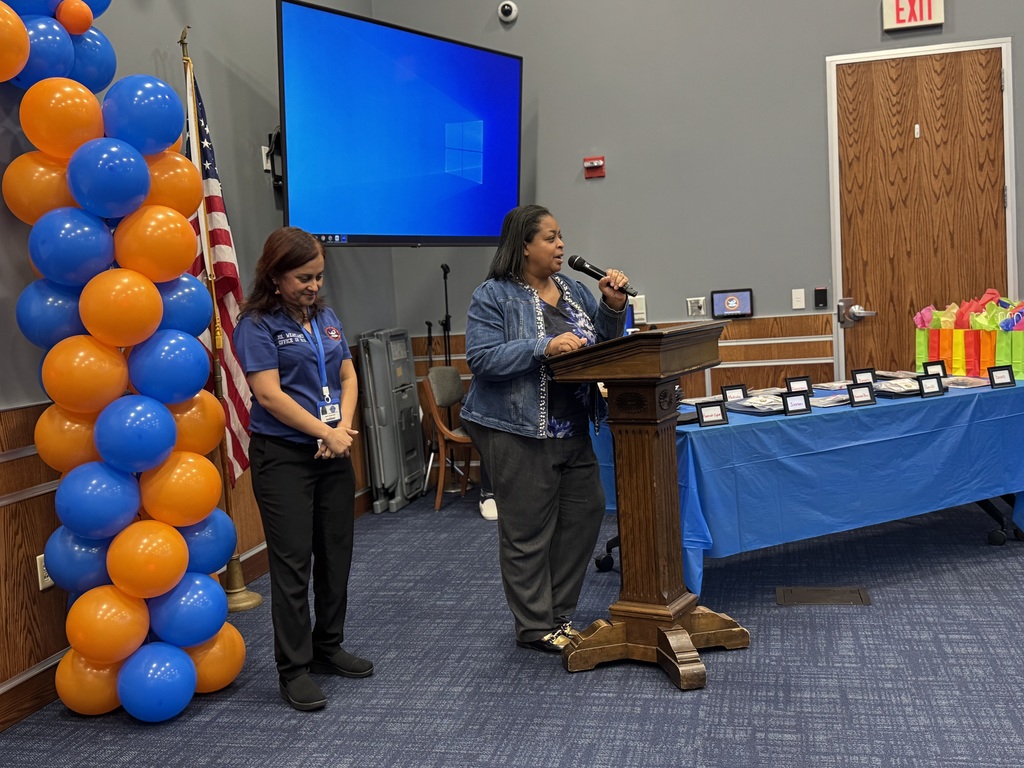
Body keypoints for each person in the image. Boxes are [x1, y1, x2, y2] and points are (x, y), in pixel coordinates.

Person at [460, 204, 628, 652]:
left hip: (573, 427)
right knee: (527, 531)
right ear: (524, 246)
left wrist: (612, 308)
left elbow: (603, 349)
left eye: (560, 237)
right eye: (551, 238)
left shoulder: (573, 289)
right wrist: (544, 345)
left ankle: (558, 613)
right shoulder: (493, 295)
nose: (561, 246)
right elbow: (481, 359)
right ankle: (535, 627)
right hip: (518, 431)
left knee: (586, 512)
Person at [233, 226, 373, 711]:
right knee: (293, 565)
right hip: (285, 456)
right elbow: (268, 395)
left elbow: (347, 375)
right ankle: (292, 668)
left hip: (331, 449)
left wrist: (341, 430)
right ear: (274, 275)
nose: (314, 287)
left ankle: (327, 647)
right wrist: (322, 431)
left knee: (337, 555)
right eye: (303, 278)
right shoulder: (256, 324)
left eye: (318, 276)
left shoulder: (326, 317)